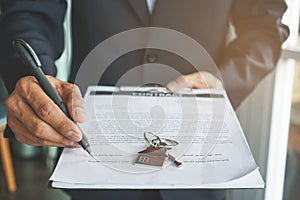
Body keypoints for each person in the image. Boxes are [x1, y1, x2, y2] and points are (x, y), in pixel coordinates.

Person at [0, 0, 289, 199]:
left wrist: (226, 80)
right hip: (95, 164)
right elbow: (29, 9)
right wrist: (32, 78)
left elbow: (264, 28)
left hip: (197, 167)